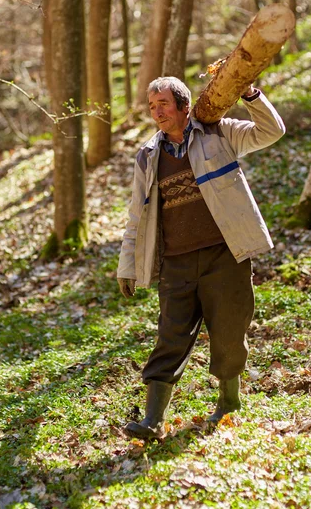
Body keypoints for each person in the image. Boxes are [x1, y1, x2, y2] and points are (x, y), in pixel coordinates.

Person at [117, 76, 285, 439]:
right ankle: (152, 419)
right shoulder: (147, 156)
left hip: (225, 254)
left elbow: (271, 130)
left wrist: (250, 94)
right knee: (170, 336)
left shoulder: (219, 133)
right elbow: (137, 216)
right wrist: (127, 264)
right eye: (151, 106)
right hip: (176, 262)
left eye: (163, 103)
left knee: (228, 331)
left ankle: (228, 404)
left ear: (183, 106)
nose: (156, 112)